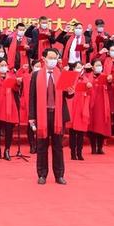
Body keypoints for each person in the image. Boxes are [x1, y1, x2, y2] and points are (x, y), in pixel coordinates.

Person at [28, 48, 72, 185]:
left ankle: (59, 175)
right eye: (50, 58)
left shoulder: (62, 74)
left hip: (58, 115)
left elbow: (68, 94)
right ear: (44, 59)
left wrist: (71, 91)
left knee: (58, 146)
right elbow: (32, 97)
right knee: (42, 146)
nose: (53, 60)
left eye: (55, 58)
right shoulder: (36, 75)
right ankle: (42, 174)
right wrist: (31, 116)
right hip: (42, 115)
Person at [67, 62, 91, 161]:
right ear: (73, 68)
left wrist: (89, 87)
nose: (79, 68)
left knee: (80, 132)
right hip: (72, 107)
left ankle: (79, 152)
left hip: (81, 107)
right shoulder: (70, 77)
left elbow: (89, 92)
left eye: (81, 67)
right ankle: (73, 152)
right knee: (72, 132)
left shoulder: (85, 79)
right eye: (77, 67)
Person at [88, 59, 110, 154]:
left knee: (102, 125)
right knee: (93, 125)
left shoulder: (104, 76)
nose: (99, 67)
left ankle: (100, 147)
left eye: (100, 65)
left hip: (103, 104)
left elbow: (110, 87)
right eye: (97, 65)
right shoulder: (89, 76)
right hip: (92, 104)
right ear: (92, 67)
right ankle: (93, 147)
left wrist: (110, 81)